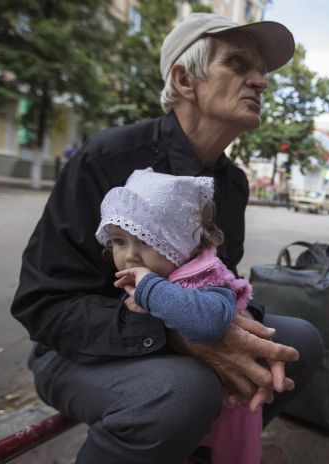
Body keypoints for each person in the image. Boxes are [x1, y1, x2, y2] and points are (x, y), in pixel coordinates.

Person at [11, 12, 323, 464]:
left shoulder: (230, 183)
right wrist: (176, 332)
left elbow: (219, 276)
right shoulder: (108, 158)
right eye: (238, 64)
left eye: (262, 71)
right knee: (182, 393)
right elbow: (43, 305)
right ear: (184, 79)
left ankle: (201, 450)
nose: (261, 81)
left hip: (182, 328)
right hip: (76, 350)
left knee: (298, 343)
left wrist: (237, 324)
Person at [97, 168, 261, 463]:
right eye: (120, 241)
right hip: (185, 404)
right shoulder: (156, 276)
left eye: (146, 241)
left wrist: (150, 291)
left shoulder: (205, 277)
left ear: (182, 242)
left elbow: (209, 322)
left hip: (228, 410)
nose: (130, 256)